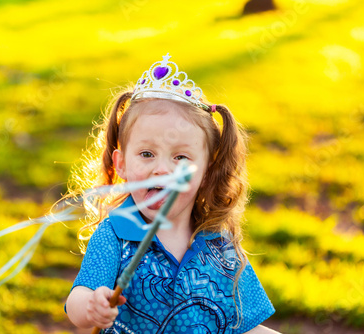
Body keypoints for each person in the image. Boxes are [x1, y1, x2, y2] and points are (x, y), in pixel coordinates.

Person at [65, 54, 279, 333]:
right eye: (146, 154)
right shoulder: (115, 235)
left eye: (180, 157)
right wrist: (91, 305)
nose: (162, 170)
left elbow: (245, 327)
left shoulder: (219, 243)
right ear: (122, 165)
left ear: (206, 172)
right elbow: (77, 301)